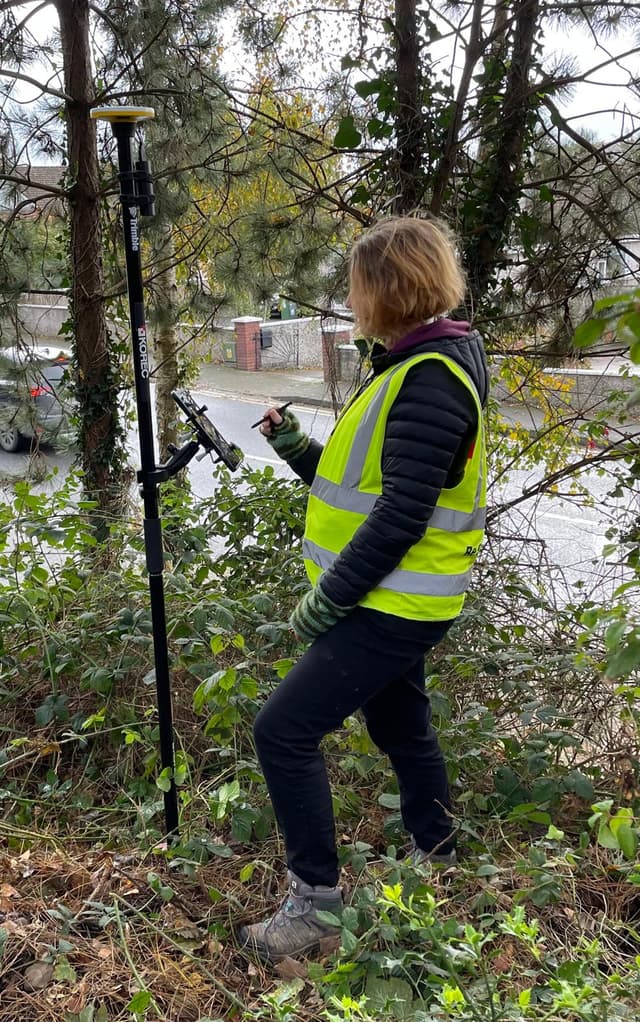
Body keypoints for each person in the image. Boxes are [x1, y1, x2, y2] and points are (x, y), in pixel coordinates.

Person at [238, 216, 488, 963]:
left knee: (282, 731)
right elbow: (365, 489)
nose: (351, 300)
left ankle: (314, 905)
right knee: (401, 728)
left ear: (387, 289)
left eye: (356, 286)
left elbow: (404, 516)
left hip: (392, 604)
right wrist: (295, 449)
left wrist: (331, 596)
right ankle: (436, 850)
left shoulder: (432, 378)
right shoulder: (414, 364)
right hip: (396, 599)